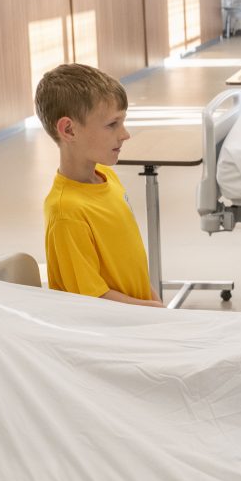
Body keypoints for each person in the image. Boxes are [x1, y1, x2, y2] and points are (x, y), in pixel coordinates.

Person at [35, 63, 164, 307]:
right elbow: (92, 301)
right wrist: (153, 311)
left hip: (139, 319)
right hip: (108, 333)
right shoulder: (66, 213)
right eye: (112, 124)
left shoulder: (106, 176)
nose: (125, 134)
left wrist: (153, 301)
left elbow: (129, 265)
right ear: (69, 130)